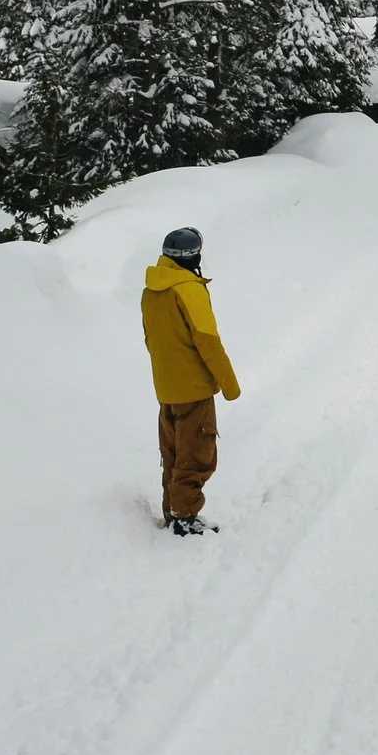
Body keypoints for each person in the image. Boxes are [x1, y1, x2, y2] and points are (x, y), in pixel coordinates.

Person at [141, 227, 242, 535]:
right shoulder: (188, 289)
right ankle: (185, 517)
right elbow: (208, 341)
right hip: (194, 388)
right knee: (196, 454)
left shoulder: (151, 290)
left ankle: (172, 511)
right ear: (193, 256)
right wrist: (230, 385)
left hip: (166, 387)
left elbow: (150, 339)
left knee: (172, 452)